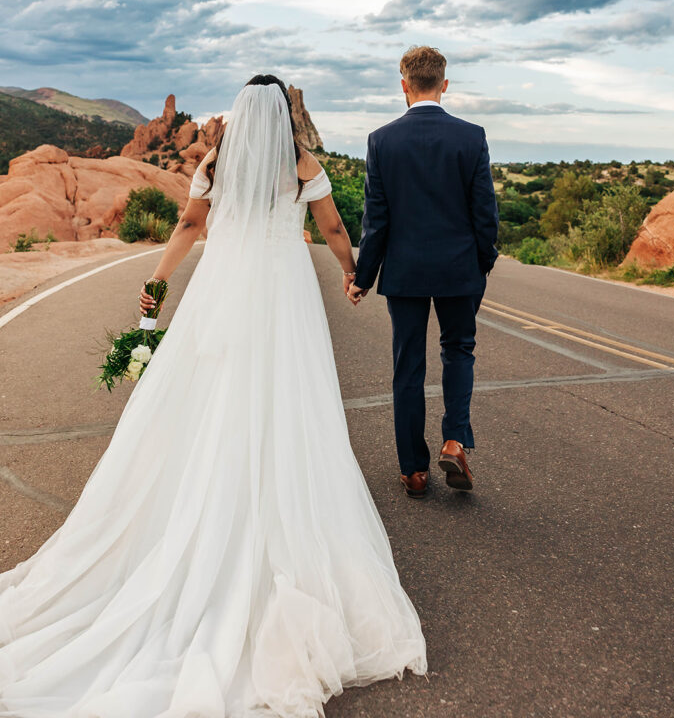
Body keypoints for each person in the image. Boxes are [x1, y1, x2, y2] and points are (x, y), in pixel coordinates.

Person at [0, 76, 427, 718]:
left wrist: (156, 282)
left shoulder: (213, 161)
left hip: (222, 290)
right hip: (283, 293)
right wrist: (351, 273)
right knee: (288, 400)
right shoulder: (301, 162)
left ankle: (206, 507)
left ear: (237, 117)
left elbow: (187, 224)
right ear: (281, 114)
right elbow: (335, 225)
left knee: (208, 395)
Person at [348, 47, 499, 499]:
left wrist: (363, 277)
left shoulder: (382, 140)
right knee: (459, 350)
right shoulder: (471, 137)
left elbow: (377, 220)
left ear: (404, 85)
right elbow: (485, 214)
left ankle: (414, 470)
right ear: (444, 85)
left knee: (408, 365)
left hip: (406, 273)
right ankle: (454, 440)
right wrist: (482, 264)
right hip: (459, 271)